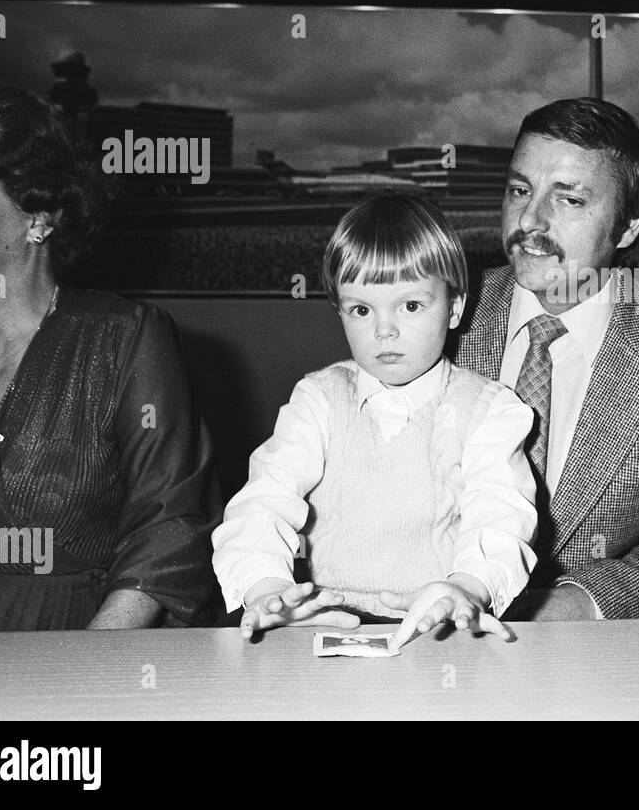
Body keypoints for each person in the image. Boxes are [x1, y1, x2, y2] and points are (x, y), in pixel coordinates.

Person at [454, 97, 639, 620]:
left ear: (628, 227)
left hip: (589, 655)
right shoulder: (441, 316)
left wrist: (577, 605)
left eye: (569, 200)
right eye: (520, 190)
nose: (530, 220)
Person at [212, 195, 538, 649]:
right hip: (324, 627)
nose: (384, 331)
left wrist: (468, 588)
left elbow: (499, 516)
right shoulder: (320, 399)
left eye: (410, 306)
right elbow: (264, 500)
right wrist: (265, 587)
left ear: (456, 308)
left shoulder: (487, 409)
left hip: (440, 628)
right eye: (362, 310)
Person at [0, 81, 217, 631]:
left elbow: (167, 528)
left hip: (79, 645)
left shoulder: (122, 338)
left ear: (40, 217)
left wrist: (88, 674)